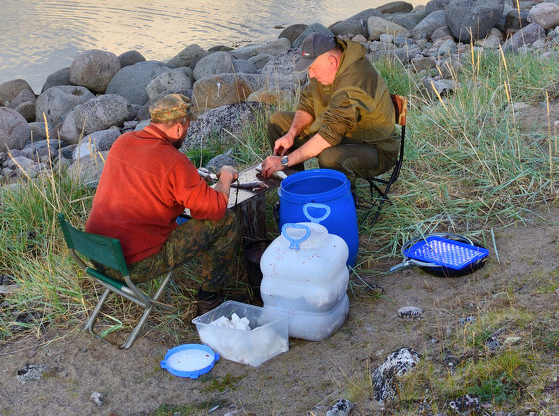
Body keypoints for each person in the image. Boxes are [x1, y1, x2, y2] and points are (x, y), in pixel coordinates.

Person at [86, 92, 240, 312]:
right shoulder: (174, 161)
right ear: (178, 128)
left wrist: (191, 177)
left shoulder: (123, 142)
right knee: (225, 220)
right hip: (133, 266)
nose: (186, 132)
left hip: (98, 255)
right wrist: (225, 176)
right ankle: (209, 301)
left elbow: (145, 178)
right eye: (187, 128)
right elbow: (213, 209)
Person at [260, 32, 400, 185]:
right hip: (343, 132)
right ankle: (298, 187)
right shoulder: (328, 68)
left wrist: (284, 161)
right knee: (278, 122)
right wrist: (291, 133)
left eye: (313, 68)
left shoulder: (354, 81)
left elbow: (330, 134)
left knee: (330, 157)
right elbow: (309, 102)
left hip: (374, 147)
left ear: (332, 62)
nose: (311, 75)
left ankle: (341, 204)